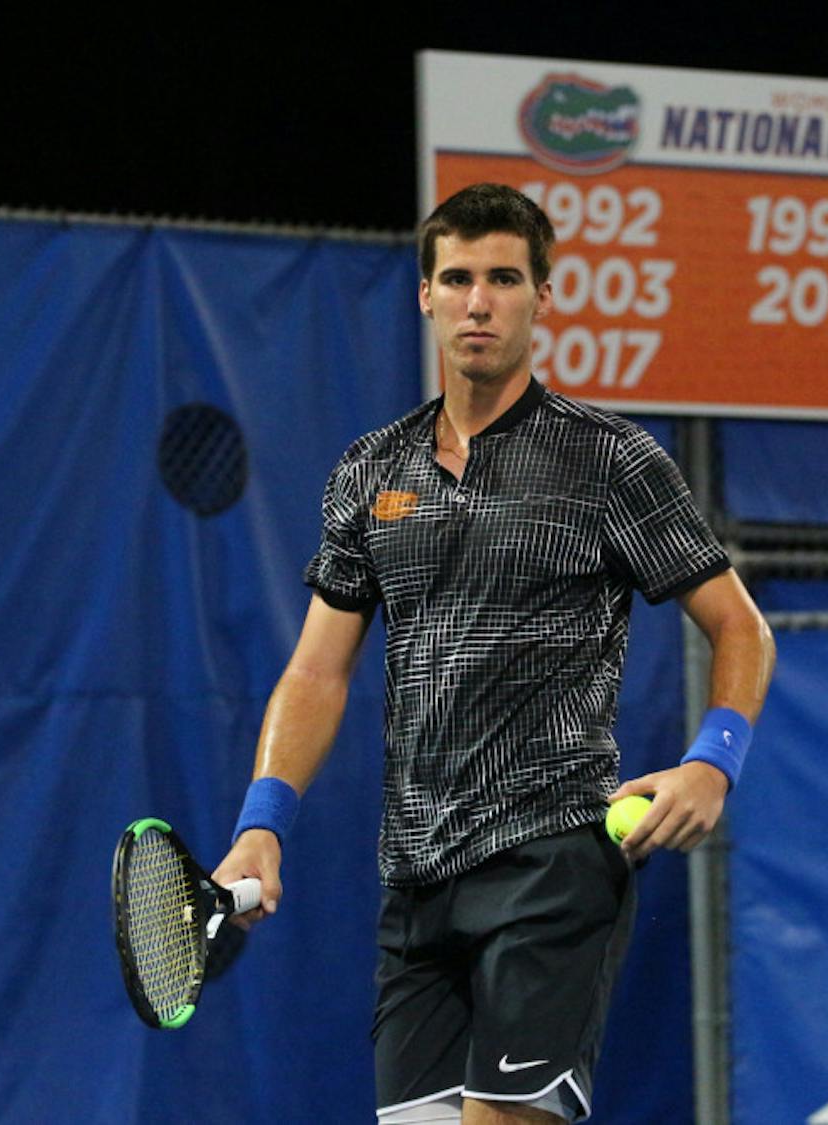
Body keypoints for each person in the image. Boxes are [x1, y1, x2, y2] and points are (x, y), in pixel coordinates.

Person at [212, 183, 775, 1124]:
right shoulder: (369, 471)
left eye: (505, 279)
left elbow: (741, 628)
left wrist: (713, 764)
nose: (481, 301)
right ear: (424, 295)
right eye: (460, 278)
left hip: (553, 862)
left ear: (542, 298)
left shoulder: (611, 460)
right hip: (417, 884)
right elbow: (316, 670)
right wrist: (262, 822)